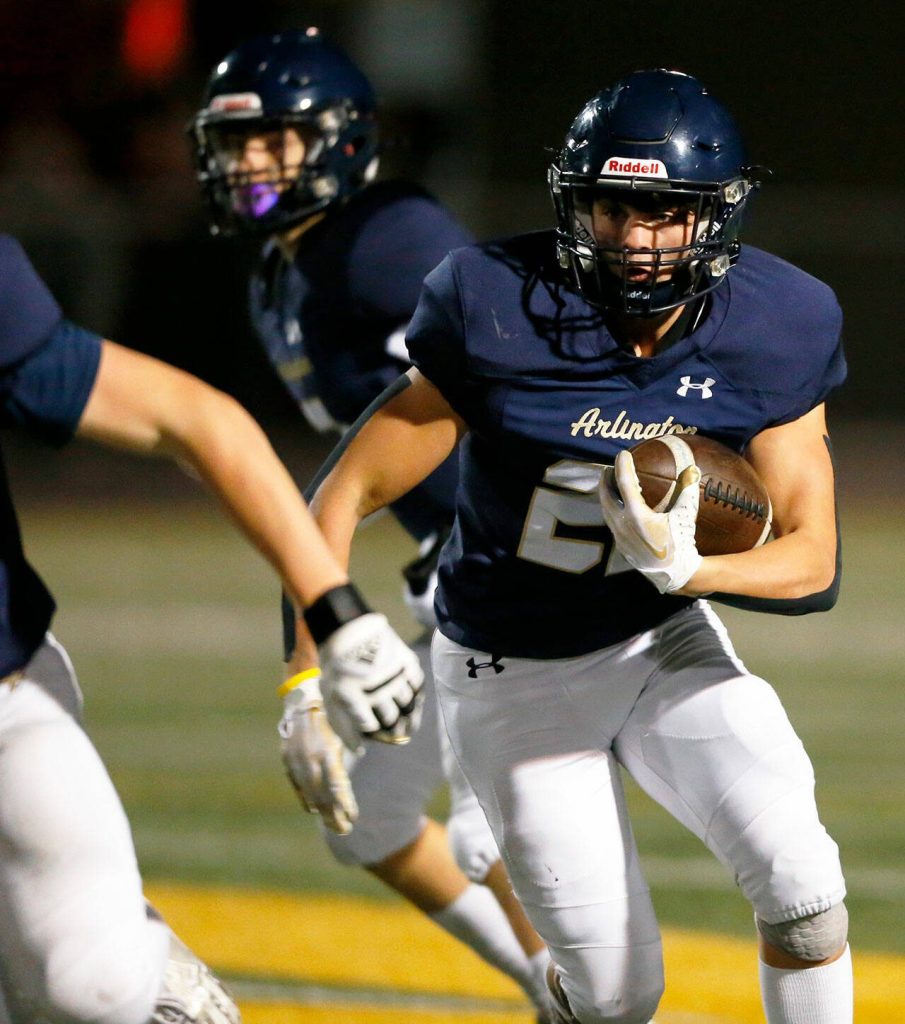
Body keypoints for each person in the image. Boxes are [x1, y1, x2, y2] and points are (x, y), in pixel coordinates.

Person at [306, 69, 853, 1024]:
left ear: (716, 216)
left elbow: (813, 559)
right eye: (612, 209)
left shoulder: (779, 322)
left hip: (659, 644)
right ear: (574, 203)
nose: (637, 241)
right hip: (506, 673)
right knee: (612, 998)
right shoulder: (491, 300)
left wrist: (692, 572)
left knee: (804, 894)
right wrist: (301, 672)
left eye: (663, 212)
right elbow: (343, 489)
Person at [189, 27, 552, 1018]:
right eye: (236, 144)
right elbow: (337, 494)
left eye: (274, 139)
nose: (249, 163)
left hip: (513, 574)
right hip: (454, 569)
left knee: (494, 831)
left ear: (340, 140)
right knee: (372, 823)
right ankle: (545, 985)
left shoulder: (386, 235)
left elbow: (513, 384)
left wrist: (305, 668)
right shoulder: (286, 264)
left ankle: (582, 1000)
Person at [0, 230, 425, 1023]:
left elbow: (189, 419)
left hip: (6, 699)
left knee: (94, 990)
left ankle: (145, 973)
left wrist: (335, 616)